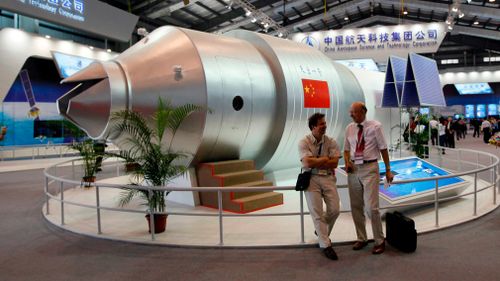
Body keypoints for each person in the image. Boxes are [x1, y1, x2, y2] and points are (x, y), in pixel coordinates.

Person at [343, 102, 393, 255]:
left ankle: (379, 240)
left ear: (363, 112)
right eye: (350, 112)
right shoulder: (349, 128)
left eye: (353, 112)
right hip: (354, 171)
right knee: (356, 207)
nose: (351, 114)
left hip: (370, 168)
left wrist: (388, 170)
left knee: (372, 208)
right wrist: (347, 162)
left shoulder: (375, 126)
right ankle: (362, 238)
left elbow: (383, 148)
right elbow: (345, 150)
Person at [298, 113, 341, 260]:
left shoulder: (331, 141)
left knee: (335, 210)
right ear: (313, 127)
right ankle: (325, 245)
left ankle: (320, 232)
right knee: (317, 213)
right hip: (311, 178)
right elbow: (307, 163)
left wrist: (316, 160)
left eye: (325, 123)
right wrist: (325, 159)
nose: (325, 126)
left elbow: (334, 163)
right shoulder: (303, 142)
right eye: (321, 124)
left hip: (328, 177)